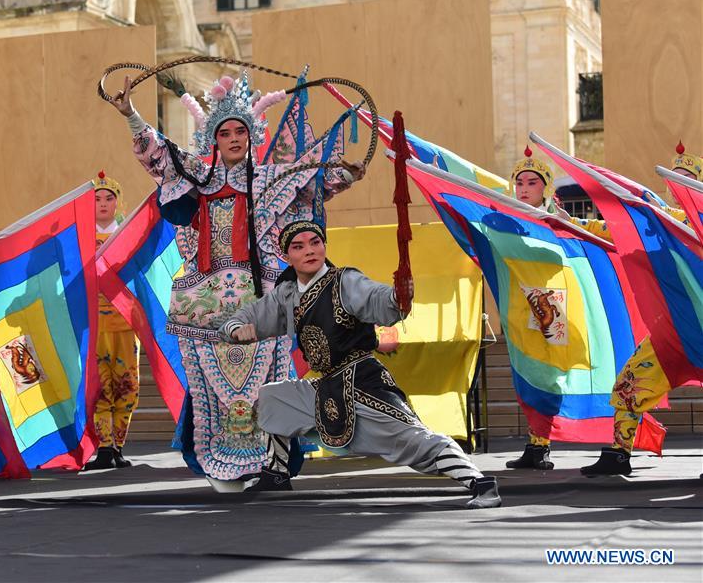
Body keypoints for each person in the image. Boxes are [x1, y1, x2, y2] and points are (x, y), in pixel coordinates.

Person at [104, 73, 363, 489]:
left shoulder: (268, 179)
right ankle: (218, 465)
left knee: (271, 381)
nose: (233, 138)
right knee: (210, 384)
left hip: (261, 297)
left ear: (251, 134)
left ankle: (272, 466)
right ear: (214, 139)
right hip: (205, 300)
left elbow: (312, 186)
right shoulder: (196, 178)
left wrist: (346, 175)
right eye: (225, 132)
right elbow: (158, 157)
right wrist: (131, 114)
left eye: (241, 130)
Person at [217, 220, 502, 507]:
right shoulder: (288, 294)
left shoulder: (345, 281)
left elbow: (376, 297)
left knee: (414, 442)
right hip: (327, 385)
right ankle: (276, 475)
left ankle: (480, 483)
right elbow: (249, 316)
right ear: (287, 256)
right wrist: (236, 330)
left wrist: (397, 296)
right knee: (274, 397)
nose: (309, 251)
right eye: (298, 246)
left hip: (363, 381)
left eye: (315, 243)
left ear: (324, 246)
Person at [580, 141, 702, 476]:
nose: (678, 184)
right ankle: (619, 454)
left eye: (687, 179)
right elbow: (619, 229)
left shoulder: (697, 225)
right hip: (673, 332)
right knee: (629, 384)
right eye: (674, 179)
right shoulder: (659, 223)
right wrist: (575, 224)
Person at [503, 147, 558, 470]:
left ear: (545, 188)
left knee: (547, 376)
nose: (523, 188)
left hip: (550, 306)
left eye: (532, 182)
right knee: (525, 375)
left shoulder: (557, 220)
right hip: (517, 306)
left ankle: (543, 445)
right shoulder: (505, 219)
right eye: (519, 182)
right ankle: (536, 445)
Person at [85, 171, 140, 470]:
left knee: (126, 384)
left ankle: (118, 445)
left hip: (124, 321)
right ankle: (104, 447)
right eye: (97, 199)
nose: (103, 204)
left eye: (109, 198)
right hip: (93, 324)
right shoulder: (80, 240)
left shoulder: (128, 236)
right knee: (99, 384)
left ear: (118, 204)